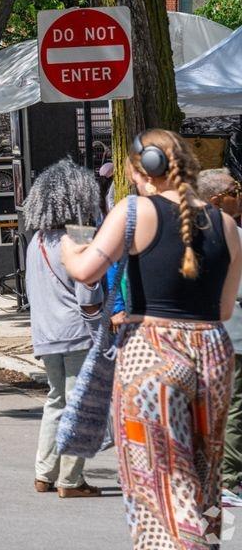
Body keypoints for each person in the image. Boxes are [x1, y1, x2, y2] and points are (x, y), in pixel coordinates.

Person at [62, 130, 242, 547]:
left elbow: (87, 270)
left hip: (150, 347)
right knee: (203, 470)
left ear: (146, 171)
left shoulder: (134, 211)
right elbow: (225, 310)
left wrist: (68, 248)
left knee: (157, 476)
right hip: (212, 349)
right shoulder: (227, 225)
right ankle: (205, 537)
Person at [19, 159, 104, 498]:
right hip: (77, 332)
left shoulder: (36, 241)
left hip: (45, 333)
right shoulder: (78, 238)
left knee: (56, 401)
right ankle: (71, 479)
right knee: (80, 404)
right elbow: (88, 294)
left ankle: (44, 472)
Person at [200, 168, 242, 503]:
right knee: (234, 406)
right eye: (234, 189)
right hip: (233, 333)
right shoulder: (231, 233)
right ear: (217, 200)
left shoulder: (187, 234)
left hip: (206, 335)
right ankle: (229, 479)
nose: (239, 194)